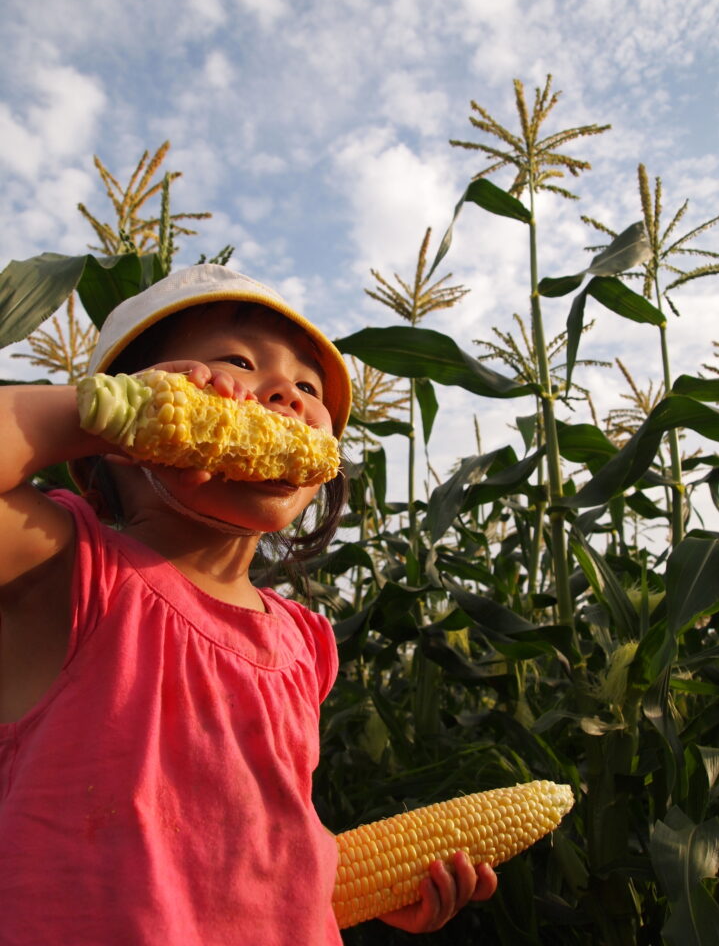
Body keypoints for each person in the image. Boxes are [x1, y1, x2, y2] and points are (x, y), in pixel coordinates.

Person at [0, 263, 496, 944]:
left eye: (309, 388)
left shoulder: (304, 643)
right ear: (107, 454)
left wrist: (347, 885)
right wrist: (99, 411)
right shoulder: (67, 572)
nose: (286, 395)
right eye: (237, 362)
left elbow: (259, 829)